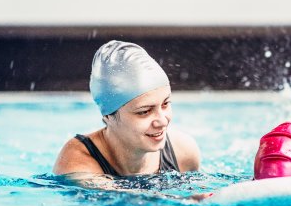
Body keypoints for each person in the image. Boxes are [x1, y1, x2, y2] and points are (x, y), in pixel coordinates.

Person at [53, 40, 200, 178]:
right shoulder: (77, 163)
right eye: (144, 112)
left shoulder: (183, 152)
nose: (162, 121)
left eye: (165, 104)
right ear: (108, 116)